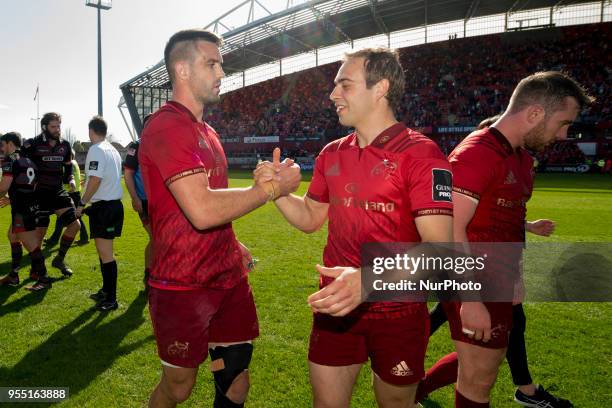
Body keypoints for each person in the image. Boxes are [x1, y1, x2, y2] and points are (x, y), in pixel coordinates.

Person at [256, 48, 453, 408]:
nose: (333, 95)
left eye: (345, 85)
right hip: (336, 306)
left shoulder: (423, 156)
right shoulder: (332, 153)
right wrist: (279, 193)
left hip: (398, 311)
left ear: (380, 88)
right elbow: (311, 218)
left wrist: (367, 280)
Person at [139, 29, 300, 407]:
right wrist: (272, 189)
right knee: (179, 386)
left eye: (221, 64)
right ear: (181, 69)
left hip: (226, 277)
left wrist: (233, 243)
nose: (221, 73)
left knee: (236, 376)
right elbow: (201, 209)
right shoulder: (165, 126)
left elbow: (214, 204)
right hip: (181, 284)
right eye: (211, 63)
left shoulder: (208, 132)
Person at [424, 71, 593, 408]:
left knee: (484, 367)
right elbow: (448, 228)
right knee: (478, 381)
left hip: (497, 278)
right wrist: (470, 299)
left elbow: (504, 220)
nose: (564, 134)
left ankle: (416, 390)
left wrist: (513, 274)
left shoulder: (518, 156)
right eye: (563, 123)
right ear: (534, 114)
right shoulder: (477, 154)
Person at [22, 112, 81, 277]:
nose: (57, 130)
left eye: (58, 126)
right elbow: (21, 169)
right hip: (38, 194)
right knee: (39, 236)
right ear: (44, 127)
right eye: (53, 127)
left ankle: (59, 259)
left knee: (75, 225)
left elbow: (68, 167)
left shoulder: (66, 145)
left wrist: (70, 180)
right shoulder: (31, 144)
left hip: (57, 192)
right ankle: (37, 270)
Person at [75, 116, 124, 311]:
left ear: (91, 131)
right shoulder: (112, 149)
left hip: (105, 208)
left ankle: (111, 299)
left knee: (106, 254)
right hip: (108, 207)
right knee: (103, 252)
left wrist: (82, 202)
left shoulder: (96, 149)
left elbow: (95, 180)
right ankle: (106, 291)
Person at [0, 132, 51, 290]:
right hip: (30, 205)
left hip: (23, 209)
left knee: (30, 244)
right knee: (12, 235)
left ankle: (43, 279)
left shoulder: (10, 159)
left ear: (10, 143)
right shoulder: (28, 159)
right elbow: (29, 184)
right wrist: (13, 199)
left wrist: (7, 195)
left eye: (2, 145)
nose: (2, 148)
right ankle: (14, 275)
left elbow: (4, 186)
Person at [123, 114, 152, 289]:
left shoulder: (163, 144)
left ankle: (154, 274)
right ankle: (150, 276)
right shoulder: (136, 146)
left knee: (161, 238)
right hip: (144, 202)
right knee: (156, 237)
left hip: (164, 201)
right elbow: (128, 174)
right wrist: (135, 198)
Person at [44, 149, 89, 246]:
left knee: (62, 217)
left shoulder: (70, 164)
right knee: (75, 217)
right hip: (75, 192)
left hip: (70, 193)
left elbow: (65, 179)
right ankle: (84, 237)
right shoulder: (75, 162)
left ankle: (54, 240)